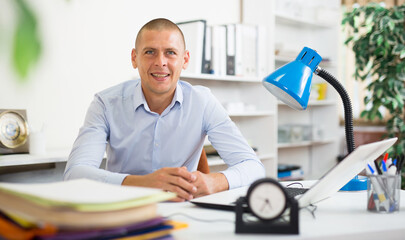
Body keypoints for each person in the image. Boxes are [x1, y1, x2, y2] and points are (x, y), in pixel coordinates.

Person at [64, 18, 265, 202]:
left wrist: (215, 181)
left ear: (185, 60)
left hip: (184, 213)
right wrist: (145, 183)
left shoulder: (202, 102)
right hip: (123, 208)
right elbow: (75, 174)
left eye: (170, 52)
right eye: (150, 52)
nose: (160, 62)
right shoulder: (105, 104)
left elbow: (254, 167)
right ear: (134, 58)